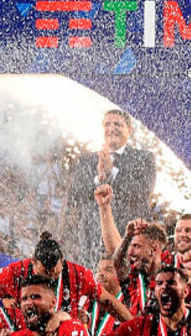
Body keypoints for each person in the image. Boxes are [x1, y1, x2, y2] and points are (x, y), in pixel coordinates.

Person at [66, 109, 156, 265]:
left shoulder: (144, 158)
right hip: (92, 239)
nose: (111, 128)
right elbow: (76, 194)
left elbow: (142, 192)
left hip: (130, 237)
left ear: (129, 130)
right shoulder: (87, 160)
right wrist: (98, 179)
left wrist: (112, 172)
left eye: (117, 124)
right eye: (107, 124)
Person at [0, 232, 99, 320]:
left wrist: (87, 316)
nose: (50, 280)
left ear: (62, 260)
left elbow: (106, 298)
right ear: (33, 262)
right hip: (25, 335)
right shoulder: (16, 272)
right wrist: (1, 303)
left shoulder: (79, 274)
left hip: (64, 335)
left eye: (56, 274)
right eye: (44, 275)